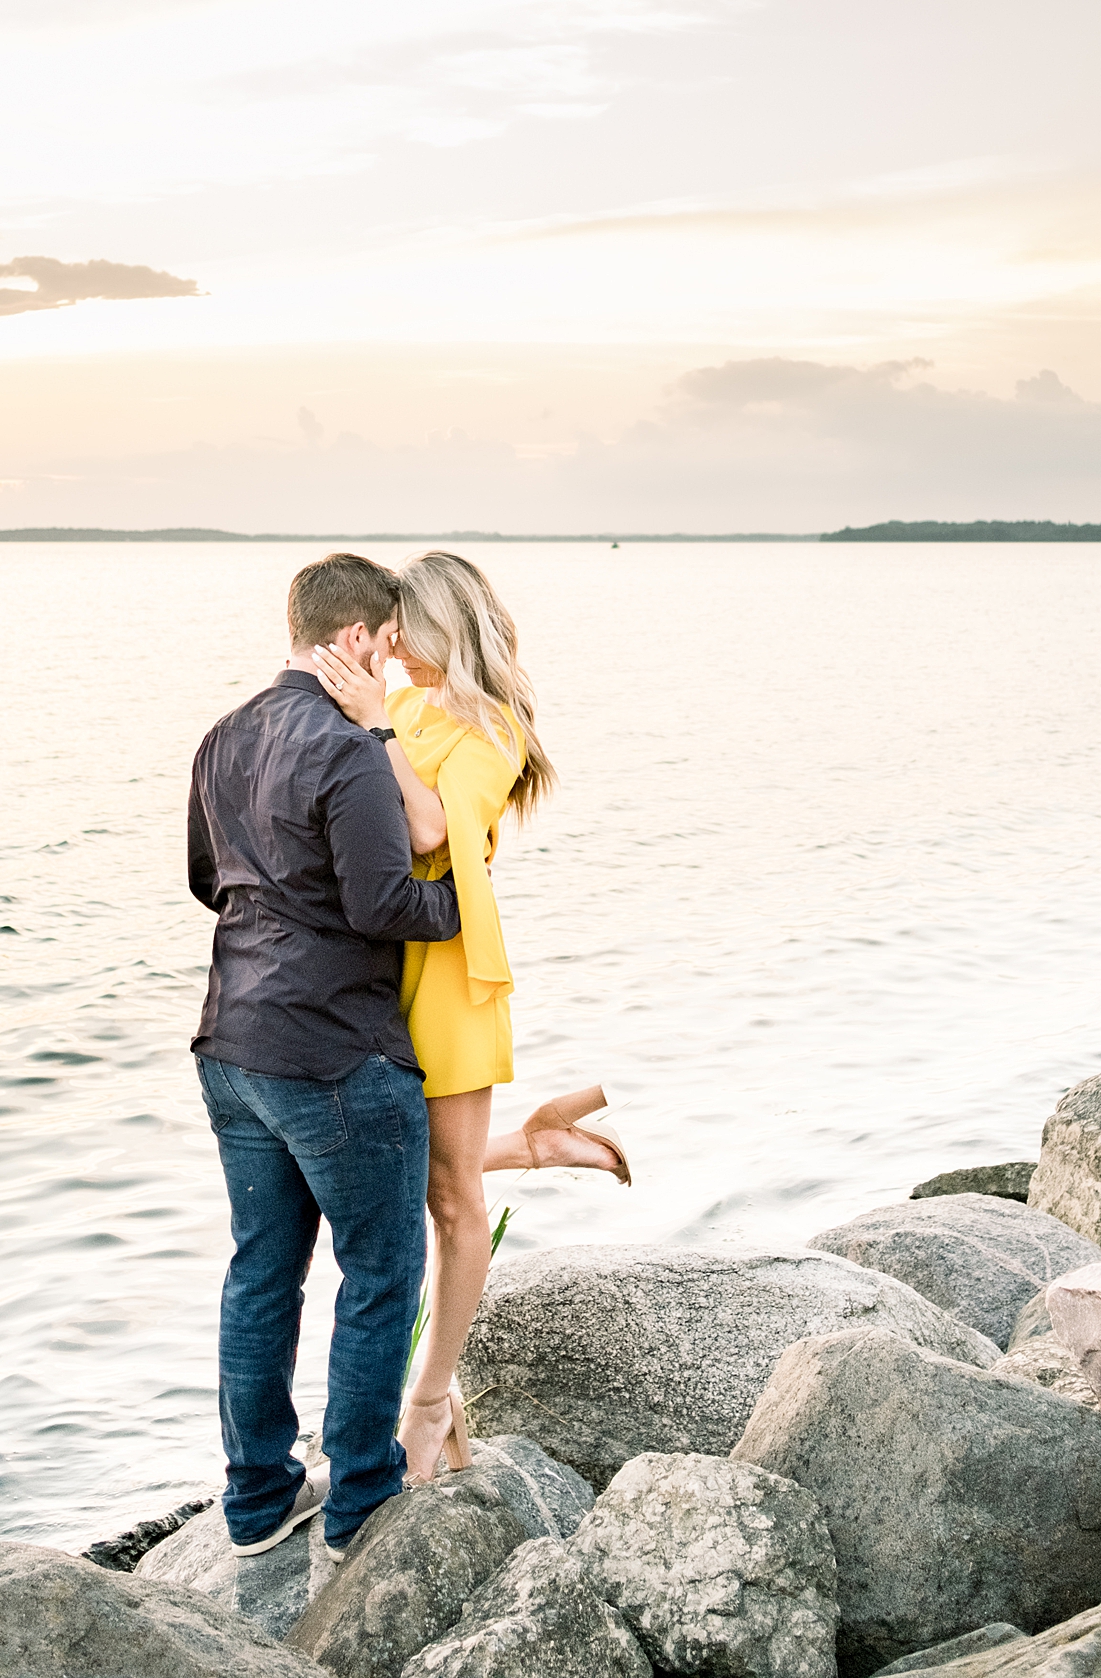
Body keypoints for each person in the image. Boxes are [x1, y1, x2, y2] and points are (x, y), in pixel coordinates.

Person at [312, 549, 629, 1486]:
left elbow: (429, 834)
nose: (392, 640)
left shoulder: (496, 733)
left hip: (448, 974)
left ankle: (427, 1404)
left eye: (404, 621)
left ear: (445, 624)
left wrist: (372, 729)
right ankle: (530, 1144)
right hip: (377, 961)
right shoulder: (400, 708)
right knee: (385, 1159)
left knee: (450, 1203)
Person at [188, 553, 463, 1566]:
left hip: (230, 1044)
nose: (390, 664)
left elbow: (205, 880)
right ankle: (357, 1507)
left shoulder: (222, 736)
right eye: (389, 647)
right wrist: (466, 902)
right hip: (337, 1054)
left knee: (261, 1271)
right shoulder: (352, 749)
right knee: (381, 1275)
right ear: (355, 639)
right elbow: (384, 903)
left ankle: (257, 1504)